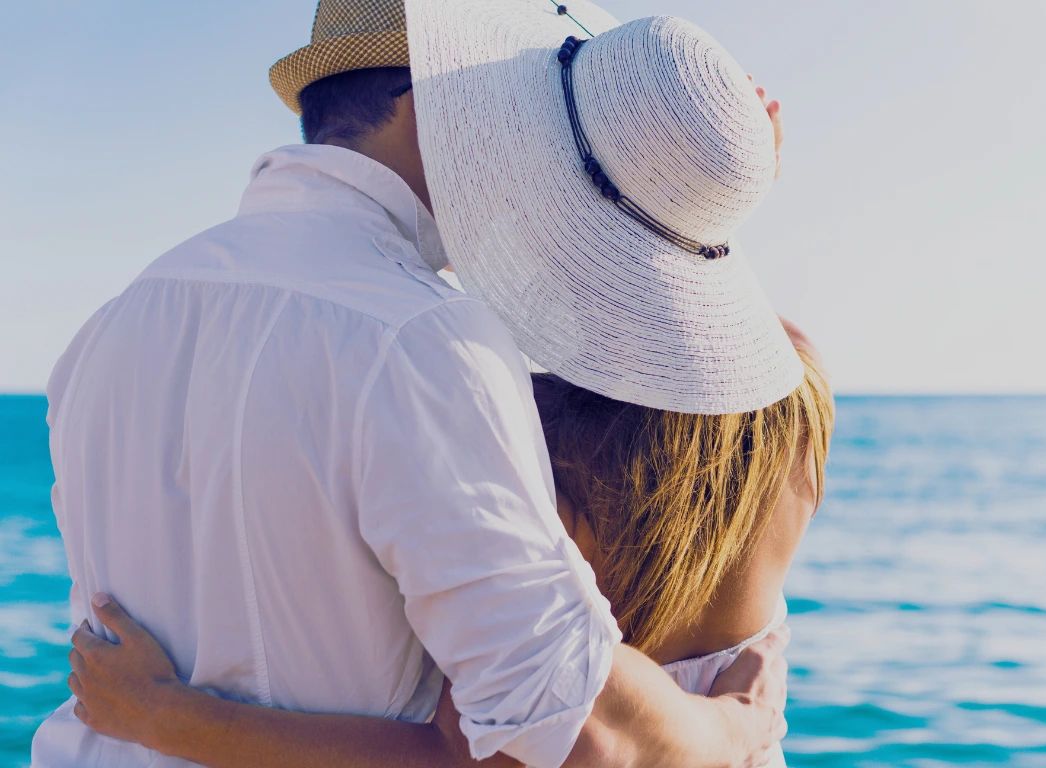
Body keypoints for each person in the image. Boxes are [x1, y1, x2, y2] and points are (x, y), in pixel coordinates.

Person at [36, 0, 807, 766]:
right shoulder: (425, 341)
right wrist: (741, 725)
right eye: (511, 108)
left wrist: (167, 718)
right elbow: (576, 737)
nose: (528, 143)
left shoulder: (108, 326)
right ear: (423, 105)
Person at [64, 330, 833, 768]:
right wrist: (738, 727)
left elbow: (461, 761)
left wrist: (165, 718)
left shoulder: (567, 441)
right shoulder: (794, 399)